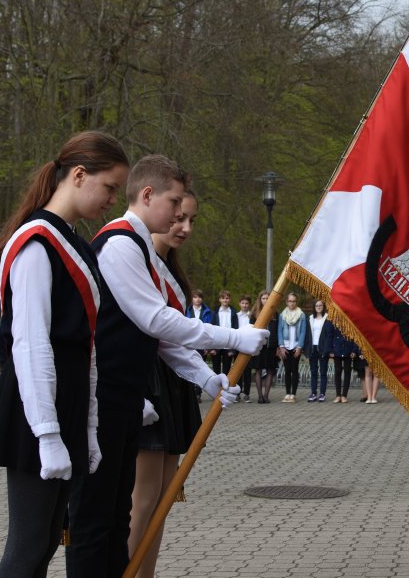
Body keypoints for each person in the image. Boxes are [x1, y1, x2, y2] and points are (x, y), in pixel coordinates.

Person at [66, 154, 268, 577]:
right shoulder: (120, 243)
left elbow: (161, 339)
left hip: (124, 403)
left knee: (116, 517)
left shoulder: (140, 248)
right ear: (147, 194)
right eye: (174, 202)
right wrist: (233, 337)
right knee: (96, 523)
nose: (180, 214)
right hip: (103, 402)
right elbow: (156, 320)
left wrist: (206, 377)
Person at [0, 131, 130, 577]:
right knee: (28, 546)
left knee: (45, 542)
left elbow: (84, 344)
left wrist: (87, 422)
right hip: (35, 406)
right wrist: (47, 431)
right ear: (79, 175)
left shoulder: (71, 241)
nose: (111, 199)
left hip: (63, 403)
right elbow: (30, 342)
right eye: (109, 187)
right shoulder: (37, 242)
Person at [127, 189, 205, 578]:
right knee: (142, 499)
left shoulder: (171, 269)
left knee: (163, 499)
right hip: (146, 384)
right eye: (178, 218)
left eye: (191, 220)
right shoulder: (134, 260)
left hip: (174, 383)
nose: (184, 227)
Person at [278, 292, 308, 403]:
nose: (292, 303)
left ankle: (293, 394)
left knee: (294, 370)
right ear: (287, 302)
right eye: (290, 301)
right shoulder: (282, 315)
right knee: (287, 370)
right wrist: (281, 346)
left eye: (294, 301)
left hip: (295, 346)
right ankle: (287, 393)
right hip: (285, 346)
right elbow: (279, 331)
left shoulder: (301, 315)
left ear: (296, 302)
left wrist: (300, 347)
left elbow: (303, 332)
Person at [250, 290, 279, 404]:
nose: (266, 300)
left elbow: (277, 330)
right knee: (258, 369)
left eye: (268, 298)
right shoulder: (254, 314)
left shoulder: (275, 313)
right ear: (260, 300)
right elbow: (251, 330)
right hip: (259, 346)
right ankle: (260, 396)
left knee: (270, 370)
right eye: (264, 298)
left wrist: (277, 346)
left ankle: (266, 395)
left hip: (271, 346)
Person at [210, 290, 239, 387]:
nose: (225, 300)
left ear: (230, 299)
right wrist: (211, 348)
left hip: (228, 344)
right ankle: (216, 390)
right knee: (216, 369)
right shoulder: (215, 312)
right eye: (223, 298)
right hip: (217, 344)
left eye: (227, 298)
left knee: (227, 369)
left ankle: (224, 389)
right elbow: (211, 329)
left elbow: (236, 330)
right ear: (220, 299)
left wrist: (233, 349)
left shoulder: (234, 313)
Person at [305, 300, 330, 403]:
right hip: (313, 348)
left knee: (323, 372)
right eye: (317, 305)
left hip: (323, 348)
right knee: (313, 372)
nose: (319, 307)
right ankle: (313, 393)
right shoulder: (310, 318)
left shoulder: (327, 318)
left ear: (323, 306)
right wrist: (306, 350)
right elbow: (307, 335)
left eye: (321, 305)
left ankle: (322, 394)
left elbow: (328, 336)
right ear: (314, 307)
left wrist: (327, 349)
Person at [330, 324, 357, 403]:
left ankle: (344, 395)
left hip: (348, 349)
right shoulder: (334, 320)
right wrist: (330, 350)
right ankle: (338, 395)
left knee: (347, 372)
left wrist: (353, 350)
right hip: (336, 349)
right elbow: (329, 336)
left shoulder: (350, 320)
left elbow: (355, 336)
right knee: (337, 371)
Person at [236, 295, 254, 402]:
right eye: (242, 303)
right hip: (238, 344)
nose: (244, 305)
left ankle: (247, 393)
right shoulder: (236, 315)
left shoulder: (251, 316)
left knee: (247, 370)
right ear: (239, 304)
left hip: (248, 344)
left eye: (246, 303)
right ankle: (237, 393)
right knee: (238, 370)